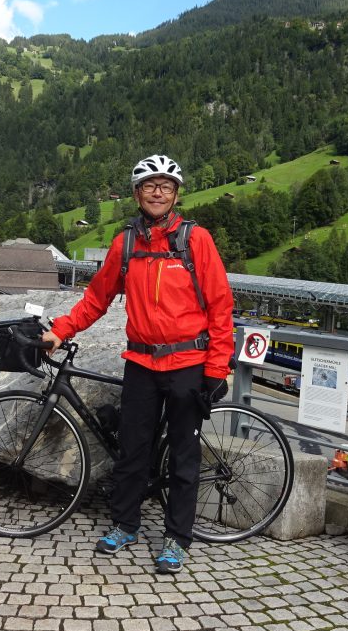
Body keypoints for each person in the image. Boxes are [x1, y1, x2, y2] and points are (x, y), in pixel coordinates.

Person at [42, 154, 234, 574]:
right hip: (142, 363)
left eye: (166, 185)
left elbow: (221, 306)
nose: (158, 191)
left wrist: (217, 369)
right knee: (132, 450)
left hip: (188, 363)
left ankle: (177, 539)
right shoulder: (126, 242)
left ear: (176, 194)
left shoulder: (195, 240)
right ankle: (125, 524)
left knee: (184, 455)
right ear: (136, 193)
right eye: (150, 185)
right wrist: (62, 329)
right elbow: (96, 298)